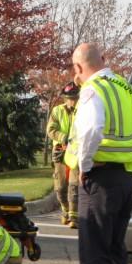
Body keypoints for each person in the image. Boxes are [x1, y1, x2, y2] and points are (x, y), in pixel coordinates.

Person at [67, 43, 132, 264]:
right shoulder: (126, 88)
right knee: (114, 251)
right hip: (126, 177)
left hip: (101, 178)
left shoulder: (92, 89)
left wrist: (84, 165)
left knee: (94, 252)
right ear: (104, 60)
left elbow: (92, 129)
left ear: (78, 69)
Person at [47, 82, 80, 227]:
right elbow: (51, 130)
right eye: (69, 98)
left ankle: (74, 216)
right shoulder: (57, 111)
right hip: (60, 150)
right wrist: (63, 137)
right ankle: (65, 210)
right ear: (64, 98)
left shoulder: (83, 110)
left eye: (74, 97)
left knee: (74, 184)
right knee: (60, 186)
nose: (72, 101)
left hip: (75, 151)